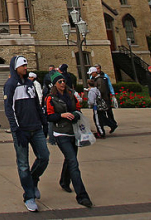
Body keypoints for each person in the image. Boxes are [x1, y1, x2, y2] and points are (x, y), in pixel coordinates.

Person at [3, 56, 50, 213]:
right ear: (16, 67)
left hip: (35, 127)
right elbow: (9, 109)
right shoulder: (10, 85)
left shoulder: (30, 83)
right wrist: (16, 129)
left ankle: (33, 179)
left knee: (44, 157)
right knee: (23, 165)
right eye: (23, 65)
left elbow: (37, 105)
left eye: (26, 65)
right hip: (21, 130)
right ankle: (29, 196)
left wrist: (44, 123)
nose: (26, 67)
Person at [46, 71, 93, 208]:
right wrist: (62, 115)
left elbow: (78, 111)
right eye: (60, 82)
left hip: (74, 133)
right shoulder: (50, 98)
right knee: (73, 162)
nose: (62, 83)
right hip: (61, 134)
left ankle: (64, 182)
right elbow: (49, 117)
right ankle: (82, 196)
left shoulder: (72, 95)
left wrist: (74, 114)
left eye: (64, 81)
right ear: (54, 84)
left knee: (70, 159)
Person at [88, 66, 117, 133]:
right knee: (101, 116)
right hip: (99, 100)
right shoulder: (96, 79)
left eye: (91, 73)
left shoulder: (100, 80)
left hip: (101, 100)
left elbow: (102, 90)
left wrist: (93, 90)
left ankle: (102, 131)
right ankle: (111, 125)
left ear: (95, 72)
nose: (91, 75)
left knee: (98, 117)